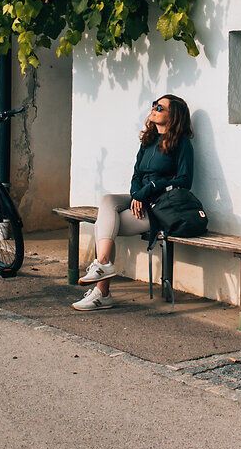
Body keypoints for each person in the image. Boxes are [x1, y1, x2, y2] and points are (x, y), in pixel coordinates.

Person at [72, 94, 194, 310]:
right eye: (154, 105)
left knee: (104, 225)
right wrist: (136, 194)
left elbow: (185, 181)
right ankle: (103, 266)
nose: (154, 109)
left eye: (160, 107)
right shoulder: (148, 141)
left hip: (159, 207)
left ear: (173, 115)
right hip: (140, 200)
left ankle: (102, 291)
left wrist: (146, 193)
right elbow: (136, 175)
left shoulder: (182, 144)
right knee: (108, 201)